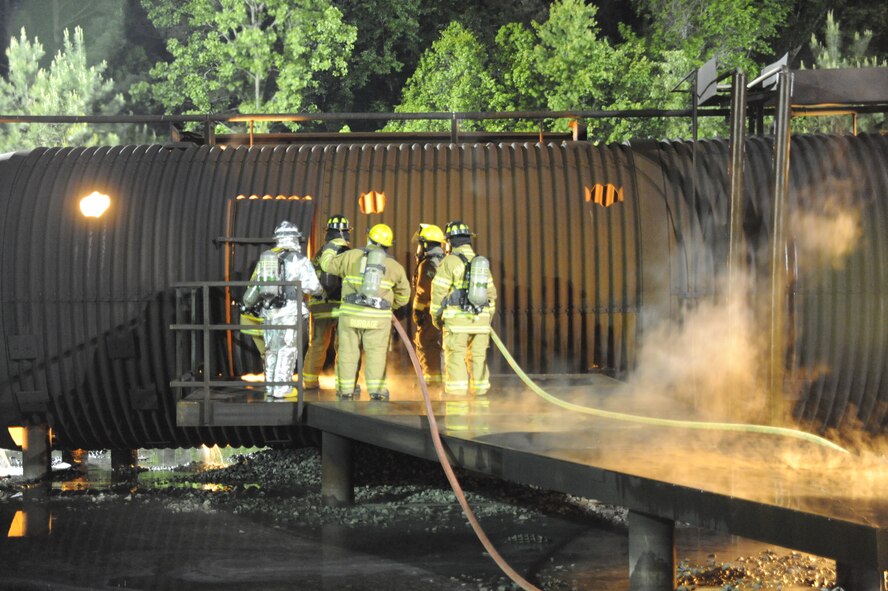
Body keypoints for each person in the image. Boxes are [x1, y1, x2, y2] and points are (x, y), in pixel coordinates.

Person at [320, 223, 411, 400]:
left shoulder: (350, 256)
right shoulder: (394, 266)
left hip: (351, 316)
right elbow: (404, 296)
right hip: (378, 319)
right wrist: (390, 306)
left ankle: (345, 391)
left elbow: (326, 265)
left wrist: (330, 247)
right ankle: (377, 392)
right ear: (388, 244)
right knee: (376, 354)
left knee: (347, 352)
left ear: (369, 238)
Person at [242, 221, 322, 398]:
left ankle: (271, 386)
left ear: (277, 239)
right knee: (287, 349)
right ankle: (282, 388)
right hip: (290, 310)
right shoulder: (300, 260)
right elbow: (313, 287)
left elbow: (256, 284)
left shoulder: (266, 257)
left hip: (269, 310)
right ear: (295, 239)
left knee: (271, 349)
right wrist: (320, 291)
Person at [431, 221, 497, 397]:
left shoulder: (449, 262)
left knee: (456, 358)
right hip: (481, 322)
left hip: (457, 323)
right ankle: (481, 396)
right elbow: (491, 295)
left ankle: (457, 399)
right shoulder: (481, 263)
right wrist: (486, 321)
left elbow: (438, 292)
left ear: (450, 241)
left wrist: (436, 317)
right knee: (478, 358)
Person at [302, 214, 351, 390]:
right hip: (339, 304)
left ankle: (309, 381)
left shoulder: (320, 253)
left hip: (319, 304)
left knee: (317, 343)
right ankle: (343, 384)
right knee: (344, 344)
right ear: (346, 233)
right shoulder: (346, 252)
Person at [411, 223, 447, 386]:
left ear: (425, 244)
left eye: (420, 243)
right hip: (447, 312)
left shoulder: (428, 263)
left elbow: (422, 291)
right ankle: (443, 380)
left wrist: (417, 312)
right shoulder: (446, 260)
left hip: (430, 313)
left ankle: (431, 382)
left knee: (427, 344)